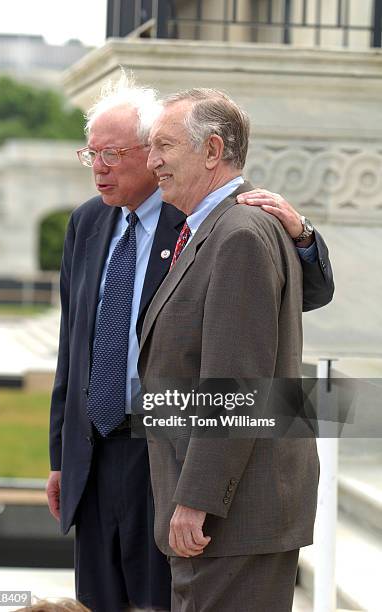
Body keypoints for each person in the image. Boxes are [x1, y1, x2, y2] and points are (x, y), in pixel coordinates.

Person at [46, 76, 333, 612]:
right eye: (91, 154)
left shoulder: (213, 218)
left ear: (210, 152)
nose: (100, 166)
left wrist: (302, 237)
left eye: (116, 152)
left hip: (179, 456)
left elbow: (258, 340)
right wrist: (61, 451)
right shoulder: (88, 223)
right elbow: (73, 346)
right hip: (99, 456)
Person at [139, 88, 322, 612]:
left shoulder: (238, 233)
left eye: (165, 146)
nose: (152, 161)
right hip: (232, 520)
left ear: (212, 151)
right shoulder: (221, 228)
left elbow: (235, 384)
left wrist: (196, 500)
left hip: (232, 520)